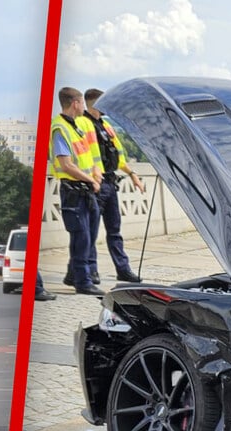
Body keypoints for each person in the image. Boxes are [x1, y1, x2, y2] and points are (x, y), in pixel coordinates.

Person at [84, 88, 145, 284]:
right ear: (92, 103)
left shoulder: (106, 126)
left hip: (110, 183)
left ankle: (123, 269)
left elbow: (117, 157)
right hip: (95, 184)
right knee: (90, 231)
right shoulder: (83, 124)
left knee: (114, 230)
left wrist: (132, 174)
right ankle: (91, 270)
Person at [49, 86, 102, 296]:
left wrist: (96, 173)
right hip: (73, 191)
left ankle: (73, 274)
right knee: (81, 238)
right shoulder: (60, 128)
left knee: (89, 236)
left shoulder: (78, 125)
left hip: (87, 189)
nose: (84, 107)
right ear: (75, 104)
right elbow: (66, 165)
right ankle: (82, 282)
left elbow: (89, 154)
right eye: (81, 103)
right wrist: (91, 179)